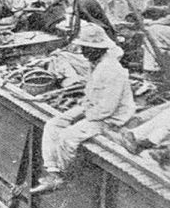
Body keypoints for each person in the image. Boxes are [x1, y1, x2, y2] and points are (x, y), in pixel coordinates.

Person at [31, 26, 135, 194]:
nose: (83, 51)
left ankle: (63, 175)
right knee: (53, 124)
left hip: (110, 118)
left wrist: (83, 115)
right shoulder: (96, 63)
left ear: (98, 49)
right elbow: (91, 93)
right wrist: (82, 107)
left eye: (86, 48)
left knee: (68, 137)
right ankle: (52, 171)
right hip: (93, 109)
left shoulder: (112, 70)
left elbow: (106, 109)